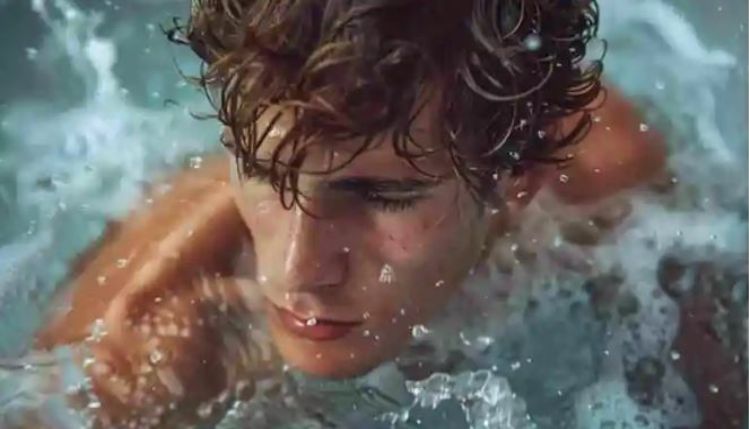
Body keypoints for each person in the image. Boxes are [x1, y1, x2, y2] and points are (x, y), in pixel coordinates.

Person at [31, 0, 677, 427]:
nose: (294, 271)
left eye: (377, 195)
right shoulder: (140, 344)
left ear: (517, 179)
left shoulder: (606, 178)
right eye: (261, 170)